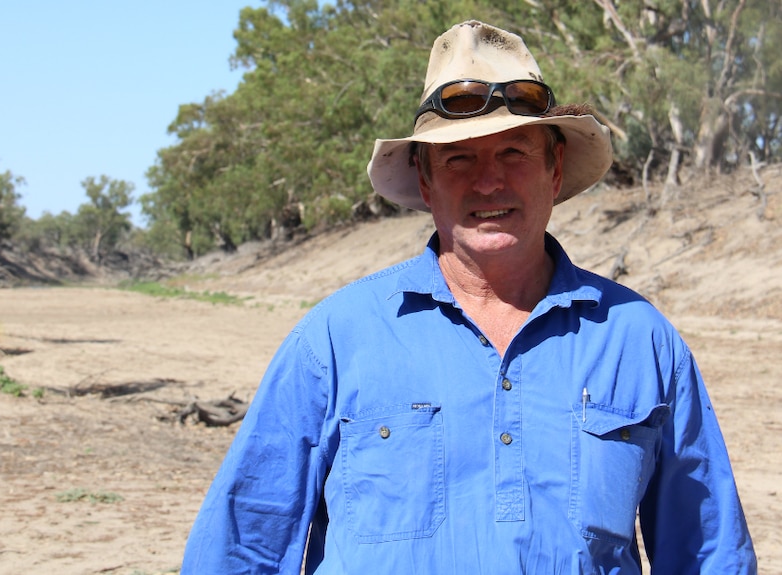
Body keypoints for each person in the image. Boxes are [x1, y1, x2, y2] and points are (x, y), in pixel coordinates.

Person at [181, 20, 757, 574]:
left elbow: (709, 555)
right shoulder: (336, 338)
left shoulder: (640, 339)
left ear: (554, 169)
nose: (489, 182)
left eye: (514, 153)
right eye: (459, 159)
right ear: (425, 179)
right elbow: (243, 545)